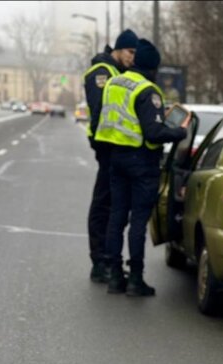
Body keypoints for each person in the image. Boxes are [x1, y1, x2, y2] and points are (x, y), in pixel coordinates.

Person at [95, 39, 188, 297]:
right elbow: (154, 132)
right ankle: (135, 278)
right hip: (141, 162)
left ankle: (115, 275)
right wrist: (179, 132)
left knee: (116, 217)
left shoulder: (114, 82)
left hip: (116, 158)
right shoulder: (148, 90)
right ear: (153, 67)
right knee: (137, 221)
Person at [83, 29, 138, 284]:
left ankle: (107, 259)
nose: (132, 57)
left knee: (113, 203)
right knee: (103, 202)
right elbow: (99, 110)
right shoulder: (102, 72)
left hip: (117, 147)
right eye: (130, 52)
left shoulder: (119, 73)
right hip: (107, 146)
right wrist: (99, 143)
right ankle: (99, 262)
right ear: (117, 49)